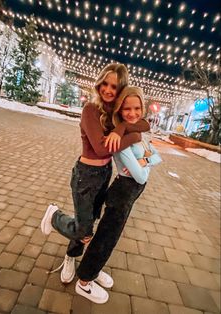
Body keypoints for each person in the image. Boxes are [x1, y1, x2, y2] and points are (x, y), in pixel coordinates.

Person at [41, 64, 150, 303]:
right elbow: (101, 147)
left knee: (90, 220)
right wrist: (124, 135)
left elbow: (142, 127)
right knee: (84, 228)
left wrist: (120, 129)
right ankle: (55, 218)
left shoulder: (115, 113)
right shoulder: (90, 109)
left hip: (104, 175)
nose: (108, 90)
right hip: (85, 175)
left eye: (114, 86)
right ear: (99, 82)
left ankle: (78, 257)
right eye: (106, 83)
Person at [74, 86, 162, 303]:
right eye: (127, 109)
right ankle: (84, 280)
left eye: (137, 108)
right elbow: (141, 176)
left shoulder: (134, 132)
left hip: (128, 192)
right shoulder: (121, 141)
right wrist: (146, 160)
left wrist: (145, 161)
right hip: (123, 191)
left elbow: (156, 157)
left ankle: (93, 270)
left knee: (109, 238)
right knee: (106, 239)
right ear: (120, 111)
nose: (133, 113)